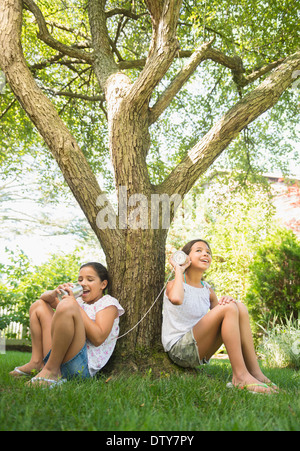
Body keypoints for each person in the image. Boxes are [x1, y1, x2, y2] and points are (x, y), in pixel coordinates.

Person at [162, 239, 277, 394]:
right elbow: (176, 299)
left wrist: (230, 302)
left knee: (239, 307)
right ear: (185, 257)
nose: (205, 253)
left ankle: (255, 373)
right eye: (199, 250)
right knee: (230, 307)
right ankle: (240, 376)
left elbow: (226, 320)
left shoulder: (208, 290)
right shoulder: (174, 284)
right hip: (179, 350)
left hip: (199, 350)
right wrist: (178, 269)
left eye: (208, 252)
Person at [10, 262, 124, 387]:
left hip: (80, 367)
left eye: (90, 279)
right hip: (60, 357)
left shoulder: (107, 303)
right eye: (80, 280)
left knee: (66, 305)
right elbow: (45, 299)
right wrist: (54, 293)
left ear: (103, 284)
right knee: (39, 305)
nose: (83, 283)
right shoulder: (78, 301)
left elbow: (98, 338)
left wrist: (75, 305)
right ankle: (36, 362)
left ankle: (51, 371)